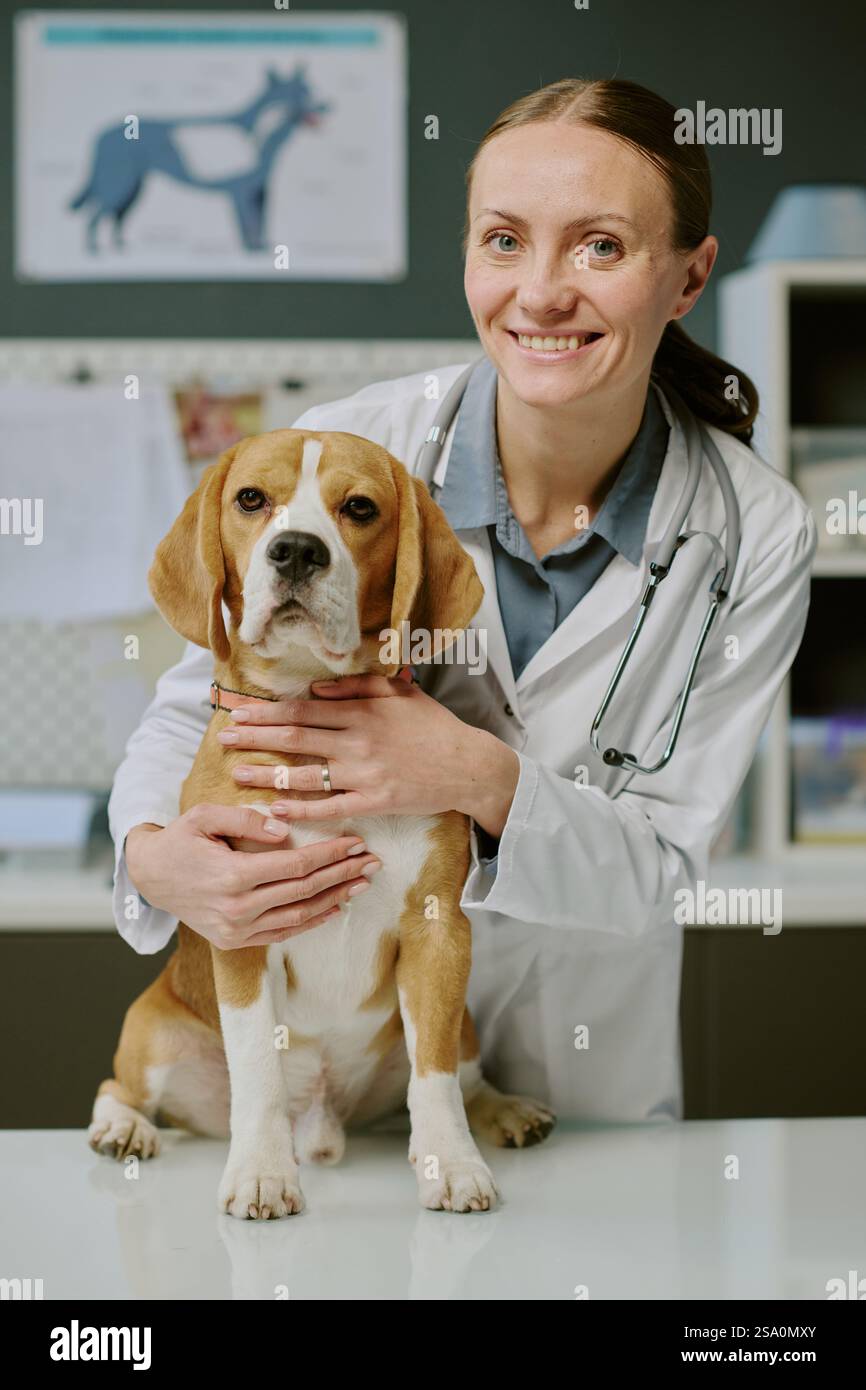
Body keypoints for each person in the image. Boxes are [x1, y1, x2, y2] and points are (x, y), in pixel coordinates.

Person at [111, 77, 816, 1122]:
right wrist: (152, 860)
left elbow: (665, 865)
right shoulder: (356, 455)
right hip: (322, 1046)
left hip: (575, 1056)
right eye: (501, 240)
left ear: (685, 277)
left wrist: (478, 776)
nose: (538, 292)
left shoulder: (753, 530)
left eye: (599, 246)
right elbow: (197, 707)